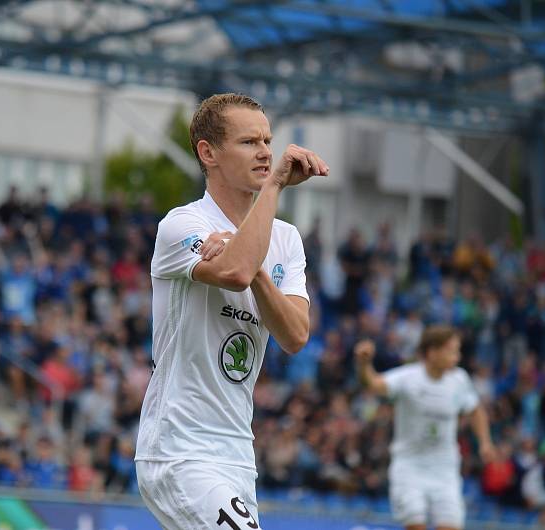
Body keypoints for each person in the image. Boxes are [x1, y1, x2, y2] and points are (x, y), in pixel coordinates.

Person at [135, 93, 328, 530]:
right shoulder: (183, 225)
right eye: (248, 142)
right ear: (209, 153)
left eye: (267, 139)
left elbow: (296, 335)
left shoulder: (287, 239)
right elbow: (236, 271)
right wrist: (275, 187)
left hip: (238, 453)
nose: (265, 152)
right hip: (179, 449)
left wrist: (261, 274)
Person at [354, 325, 496, 530]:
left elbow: (476, 410)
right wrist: (363, 363)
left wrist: (485, 442)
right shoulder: (408, 378)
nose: (457, 356)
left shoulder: (459, 380)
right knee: (416, 525)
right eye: (451, 350)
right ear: (432, 352)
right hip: (410, 466)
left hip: (445, 468)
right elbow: (373, 384)